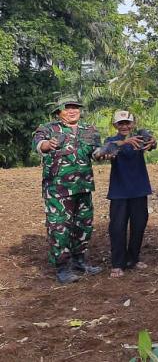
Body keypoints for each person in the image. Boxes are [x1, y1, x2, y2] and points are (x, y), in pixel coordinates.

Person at [32, 96, 103, 284]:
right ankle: (62, 267)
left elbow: (96, 152)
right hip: (58, 189)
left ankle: (80, 261)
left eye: (75, 107)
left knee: (83, 225)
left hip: (83, 186)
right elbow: (38, 145)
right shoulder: (48, 128)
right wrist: (47, 144)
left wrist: (104, 153)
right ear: (58, 112)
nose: (72, 111)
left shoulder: (89, 130)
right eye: (67, 108)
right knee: (59, 227)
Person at [102, 110, 157, 278]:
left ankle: (133, 258)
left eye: (127, 123)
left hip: (139, 189)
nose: (124, 126)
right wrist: (124, 142)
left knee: (139, 225)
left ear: (133, 124)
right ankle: (117, 263)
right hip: (119, 191)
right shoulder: (111, 141)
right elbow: (104, 151)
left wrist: (153, 142)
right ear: (115, 125)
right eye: (121, 123)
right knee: (117, 227)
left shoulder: (140, 137)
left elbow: (151, 144)